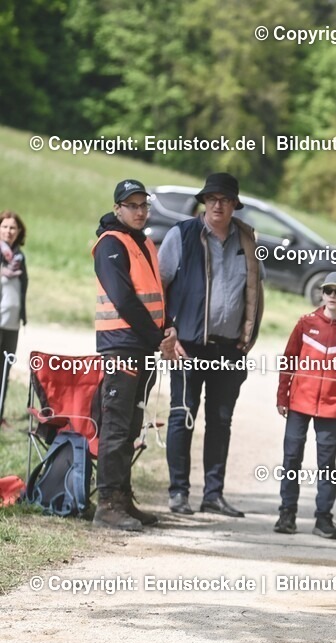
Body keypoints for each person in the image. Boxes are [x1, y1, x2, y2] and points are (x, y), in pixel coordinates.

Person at [158, 172, 264, 518]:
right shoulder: (181, 235)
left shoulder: (248, 240)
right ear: (204, 202)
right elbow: (159, 287)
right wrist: (167, 332)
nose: (218, 205)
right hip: (187, 346)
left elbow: (255, 292)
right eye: (213, 198)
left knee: (221, 421)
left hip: (230, 349)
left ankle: (213, 495)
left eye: (225, 199)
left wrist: (247, 339)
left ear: (235, 204)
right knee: (183, 416)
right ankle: (178, 492)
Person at [91, 180, 171, 530]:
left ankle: (123, 499)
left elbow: (155, 295)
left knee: (131, 425)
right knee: (117, 426)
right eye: (132, 205)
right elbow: (123, 299)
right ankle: (107, 505)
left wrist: (166, 329)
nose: (140, 211)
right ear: (118, 209)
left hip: (142, 345)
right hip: (121, 344)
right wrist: (157, 337)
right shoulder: (111, 244)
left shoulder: (143, 241)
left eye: (143, 205)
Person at [275, 272, 336, 540]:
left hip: (331, 408)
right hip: (298, 404)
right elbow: (288, 361)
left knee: (327, 464)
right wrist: (282, 396)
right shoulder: (305, 323)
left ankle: (324, 518)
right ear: (322, 294)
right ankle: (287, 513)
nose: (332, 296)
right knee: (291, 458)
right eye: (328, 290)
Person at [0, 211, 27, 426]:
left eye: (12, 228)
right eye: (5, 226)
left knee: (4, 370)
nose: (9, 231)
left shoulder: (19, 257)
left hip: (12, 322)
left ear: (18, 232)